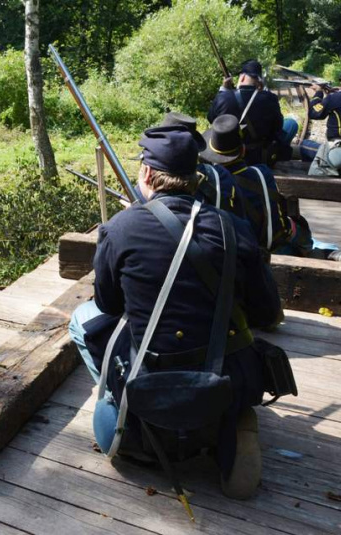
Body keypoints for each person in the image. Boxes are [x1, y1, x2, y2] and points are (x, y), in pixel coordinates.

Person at [69, 125, 283, 500]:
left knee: (81, 318)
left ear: (147, 175)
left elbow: (108, 305)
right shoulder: (234, 227)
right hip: (225, 378)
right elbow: (266, 309)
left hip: (147, 389)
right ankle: (230, 427)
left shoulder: (119, 228)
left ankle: (119, 404)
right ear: (195, 177)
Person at [202, 114, 339, 259]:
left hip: (230, 253)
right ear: (242, 150)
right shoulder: (262, 174)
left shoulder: (209, 182)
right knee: (301, 233)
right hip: (266, 248)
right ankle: (323, 251)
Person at [208, 60, 297, 166]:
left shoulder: (223, 97)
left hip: (229, 156)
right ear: (260, 81)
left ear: (242, 77)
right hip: (259, 156)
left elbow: (211, 118)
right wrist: (264, 91)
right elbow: (278, 126)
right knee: (291, 124)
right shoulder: (270, 98)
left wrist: (223, 90)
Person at [305, 84, 341, 176]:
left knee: (303, 145)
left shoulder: (334, 97)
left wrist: (319, 93)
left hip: (337, 152)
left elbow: (313, 113)